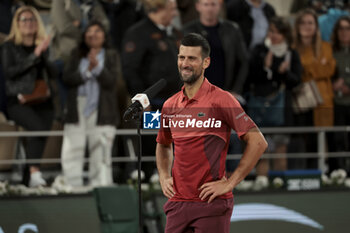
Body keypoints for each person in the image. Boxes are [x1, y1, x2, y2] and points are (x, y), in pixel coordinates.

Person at [156, 33, 267, 233]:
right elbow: (163, 144)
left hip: (210, 204)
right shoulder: (170, 105)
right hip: (177, 204)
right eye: (182, 58)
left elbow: (258, 142)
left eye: (192, 58)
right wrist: (164, 176)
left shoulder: (222, 100)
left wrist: (230, 183)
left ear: (206, 62)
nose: (185, 63)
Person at [1, 6, 59, 187]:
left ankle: (29, 178)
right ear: (17, 24)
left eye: (32, 19)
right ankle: (34, 172)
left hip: (43, 99)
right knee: (37, 127)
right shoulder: (9, 47)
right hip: (17, 101)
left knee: (41, 131)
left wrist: (45, 53)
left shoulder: (42, 45)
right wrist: (34, 55)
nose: (29, 23)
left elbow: (54, 73)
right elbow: (10, 72)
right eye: (24, 20)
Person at [61, 21, 120, 187]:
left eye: (97, 31)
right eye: (89, 31)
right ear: (84, 35)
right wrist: (87, 72)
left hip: (102, 108)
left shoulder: (111, 55)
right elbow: (67, 78)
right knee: (73, 148)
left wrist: (97, 68)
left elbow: (112, 81)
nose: (93, 34)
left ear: (104, 35)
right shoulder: (76, 54)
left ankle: (101, 186)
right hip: (77, 106)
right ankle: (72, 187)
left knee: (100, 150)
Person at [246, 17, 302, 175]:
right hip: (259, 108)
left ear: (285, 35)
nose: (274, 35)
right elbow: (250, 77)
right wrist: (265, 67)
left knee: (280, 149)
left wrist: (284, 73)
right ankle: (262, 184)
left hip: (282, 110)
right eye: (271, 31)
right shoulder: (258, 50)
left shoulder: (291, 54)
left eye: (278, 32)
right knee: (260, 151)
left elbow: (296, 81)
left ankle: (279, 185)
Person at [122, 0, 182, 109]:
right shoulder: (137, 33)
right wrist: (142, 102)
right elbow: (130, 71)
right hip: (153, 104)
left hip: (176, 103)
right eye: (172, 9)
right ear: (160, 9)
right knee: (154, 127)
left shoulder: (175, 33)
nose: (176, 13)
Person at [183, 0, 248, 95]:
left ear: (220, 6)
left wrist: (236, 90)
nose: (209, 9)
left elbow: (243, 61)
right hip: (196, 94)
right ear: (198, 6)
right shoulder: (187, 31)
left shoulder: (232, 29)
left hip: (225, 91)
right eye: (206, 4)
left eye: (213, 4)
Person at [330, 15, 350, 173]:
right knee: (337, 139)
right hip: (336, 103)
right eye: (341, 28)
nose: (344, 32)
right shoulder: (330, 52)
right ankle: (340, 172)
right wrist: (332, 85)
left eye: (347, 28)